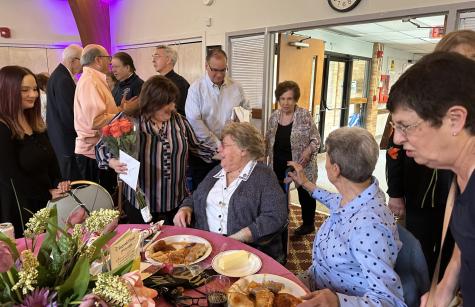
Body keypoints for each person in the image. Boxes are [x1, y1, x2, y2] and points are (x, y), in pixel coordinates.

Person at [387, 52, 475, 307]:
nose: (397, 140)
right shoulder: (463, 177)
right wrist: (446, 285)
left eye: (406, 126)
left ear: (455, 119)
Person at [287, 127, 405, 306]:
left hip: (333, 298)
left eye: (326, 158)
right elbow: (335, 201)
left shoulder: (369, 228)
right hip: (316, 279)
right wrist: (305, 183)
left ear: (335, 170)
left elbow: (389, 301)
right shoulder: (362, 193)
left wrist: (338, 301)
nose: (324, 164)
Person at [96, 76, 215, 225]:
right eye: (168, 102)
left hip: (176, 204)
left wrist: (222, 153)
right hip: (141, 205)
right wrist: (113, 161)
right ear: (152, 102)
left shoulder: (180, 121)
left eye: (173, 102)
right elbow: (101, 147)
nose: (173, 107)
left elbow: (197, 147)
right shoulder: (129, 120)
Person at [174, 122, 288, 260]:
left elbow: (276, 215)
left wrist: (242, 236)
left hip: (245, 253)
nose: (219, 149)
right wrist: (185, 208)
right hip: (204, 247)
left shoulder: (264, 175)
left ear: (243, 149)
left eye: (224, 145)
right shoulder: (216, 171)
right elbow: (195, 197)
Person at [0, 66, 70, 237]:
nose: (34, 94)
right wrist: (46, 193)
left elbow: (50, 161)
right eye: (25, 90)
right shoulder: (3, 128)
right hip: (20, 209)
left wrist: (59, 181)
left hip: (44, 204)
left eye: (34, 89)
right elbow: (11, 178)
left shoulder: (34, 122)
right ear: (7, 91)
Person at [74, 44, 136, 193]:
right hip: (92, 152)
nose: (109, 63)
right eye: (108, 59)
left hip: (98, 149)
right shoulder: (90, 81)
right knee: (98, 205)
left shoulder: (94, 79)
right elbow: (95, 120)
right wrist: (124, 113)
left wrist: (120, 109)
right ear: (98, 60)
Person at [185, 49, 249, 189]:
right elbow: (195, 122)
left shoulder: (236, 87)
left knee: (228, 190)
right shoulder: (196, 89)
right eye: (215, 70)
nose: (219, 74)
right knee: (203, 193)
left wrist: (239, 132)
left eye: (223, 70)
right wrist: (218, 144)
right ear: (206, 66)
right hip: (204, 154)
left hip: (230, 151)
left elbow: (245, 111)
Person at [266, 81, 320, 236]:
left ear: (295, 99)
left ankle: (308, 224)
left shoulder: (304, 115)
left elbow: (316, 138)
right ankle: (281, 219)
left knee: (305, 193)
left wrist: (308, 151)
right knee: (278, 192)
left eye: (289, 99)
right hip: (278, 160)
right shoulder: (274, 116)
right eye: (282, 98)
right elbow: (268, 139)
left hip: (301, 163)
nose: (285, 103)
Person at [46, 44, 83, 181]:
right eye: (82, 60)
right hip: (66, 139)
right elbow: (68, 114)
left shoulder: (59, 75)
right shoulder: (63, 79)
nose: (83, 65)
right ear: (73, 60)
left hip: (60, 137)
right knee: (71, 180)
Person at [152, 45, 189, 116]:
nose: (153, 60)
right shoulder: (154, 82)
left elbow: (180, 112)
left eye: (157, 56)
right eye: (153, 56)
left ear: (168, 60)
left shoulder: (180, 83)